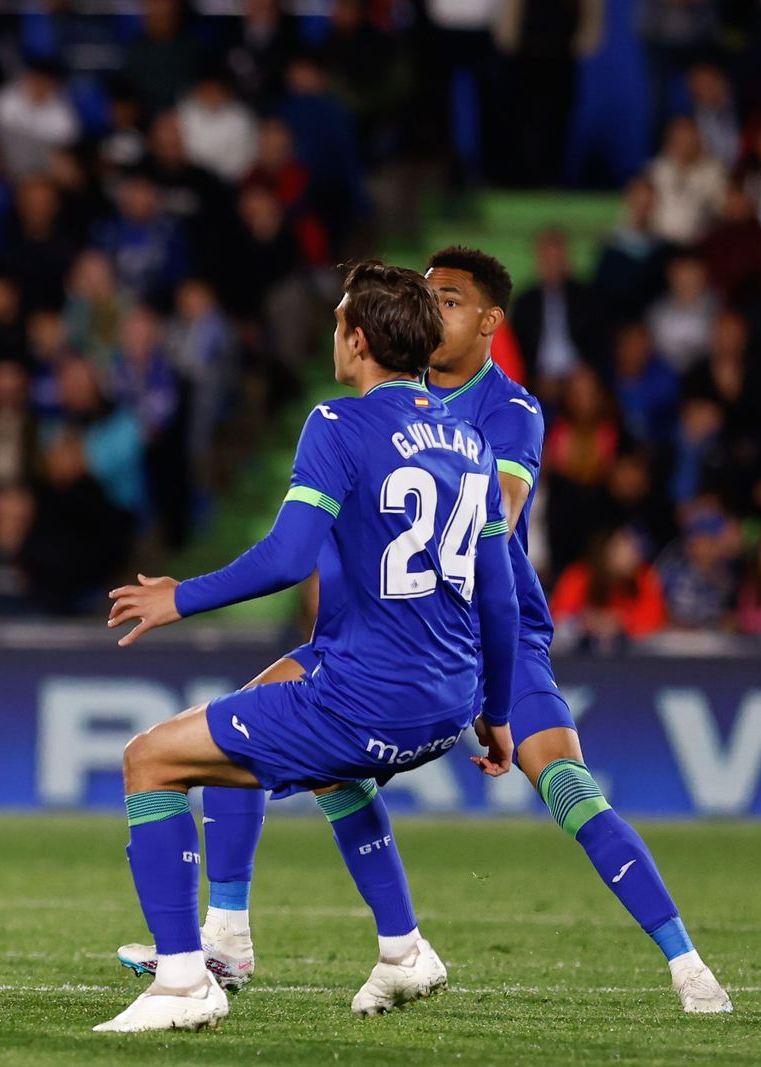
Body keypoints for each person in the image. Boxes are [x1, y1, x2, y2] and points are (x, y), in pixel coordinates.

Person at [122, 247, 731, 1017]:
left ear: (487, 321)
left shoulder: (501, 412)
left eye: (450, 298)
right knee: (289, 728)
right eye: (428, 297)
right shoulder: (427, 419)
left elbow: (498, 531)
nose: (437, 310)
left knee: (571, 789)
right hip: (392, 641)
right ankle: (247, 934)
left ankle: (686, 960)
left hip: (469, 640)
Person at [95, 262, 519, 1032]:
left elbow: (289, 559)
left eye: (337, 322)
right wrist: (498, 709)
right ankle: (398, 948)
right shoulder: (471, 440)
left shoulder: (337, 424)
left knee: (150, 758)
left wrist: (177, 596)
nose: (334, 333)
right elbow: (501, 594)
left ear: (358, 340)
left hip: (371, 695)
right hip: (448, 696)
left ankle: (187, 980)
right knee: (268, 727)